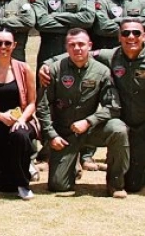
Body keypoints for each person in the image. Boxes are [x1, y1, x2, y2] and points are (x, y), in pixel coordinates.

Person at [40, 19, 145, 193]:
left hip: (141, 127)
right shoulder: (110, 56)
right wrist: (47, 64)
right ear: (119, 36)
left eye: (136, 33)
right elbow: (79, 52)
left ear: (143, 36)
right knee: (58, 186)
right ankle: (71, 166)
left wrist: (88, 121)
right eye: (126, 33)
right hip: (68, 132)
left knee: (132, 184)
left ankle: (115, 183)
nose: (131, 37)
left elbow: (112, 106)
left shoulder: (101, 71)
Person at [0, 29, 38, 200]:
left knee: (19, 136)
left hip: (21, 124)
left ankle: (24, 184)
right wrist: (1, 116)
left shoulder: (24, 69)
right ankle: (25, 167)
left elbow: (32, 102)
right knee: (5, 187)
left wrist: (22, 119)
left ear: (14, 45)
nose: (3, 47)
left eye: (7, 43)